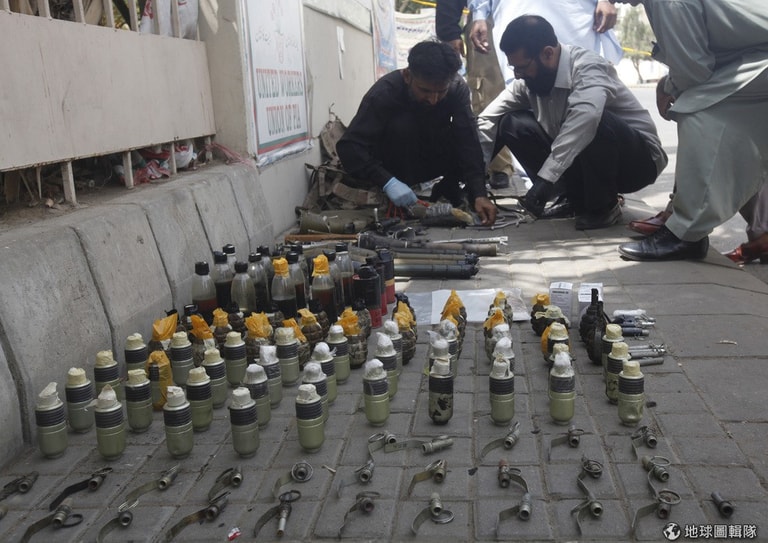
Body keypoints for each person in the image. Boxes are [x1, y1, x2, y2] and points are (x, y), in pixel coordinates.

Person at [476, 15, 667, 229]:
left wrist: (545, 180)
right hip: (583, 161)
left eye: (522, 67)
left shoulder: (588, 67)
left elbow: (586, 118)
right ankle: (573, 198)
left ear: (548, 53)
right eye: (514, 68)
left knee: (590, 120)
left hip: (638, 164)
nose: (518, 75)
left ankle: (604, 206)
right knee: (512, 123)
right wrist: (475, 184)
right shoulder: (529, 81)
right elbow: (487, 118)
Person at [614, 0, 768, 261]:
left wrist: (667, 86)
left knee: (699, 112)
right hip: (753, 56)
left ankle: (685, 235)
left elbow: (693, 73)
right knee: (735, 133)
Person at [336, 41, 497, 226]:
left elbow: (468, 142)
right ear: (407, 76)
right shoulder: (385, 92)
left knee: (470, 134)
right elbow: (349, 147)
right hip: (393, 164)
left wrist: (479, 193)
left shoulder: (457, 88)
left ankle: (448, 188)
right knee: (402, 126)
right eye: (425, 91)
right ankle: (398, 194)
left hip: (431, 157)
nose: (433, 100)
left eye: (441, 92)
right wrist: (387, 182)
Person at [435, 0, 512, 189]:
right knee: (489, 93)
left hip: (553, 10)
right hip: (487, 16)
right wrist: (449, 31)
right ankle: (496, 165)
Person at [468, 0, 623, 87]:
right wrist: (479, 14)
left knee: (580, 81)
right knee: (523, 85)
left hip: (572, 17)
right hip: (516, 9)